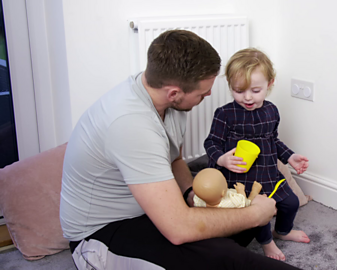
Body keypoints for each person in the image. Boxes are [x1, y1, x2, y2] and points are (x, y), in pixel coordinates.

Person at [59, 30, 300, 269]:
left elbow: (175, 160)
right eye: (202, 94)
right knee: (229, 255)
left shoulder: (167, 102)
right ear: (174, 93)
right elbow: (178, 229)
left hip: (152, 210)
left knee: (233, 220)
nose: (207, 95)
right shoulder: (130, 124)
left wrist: (189, 193)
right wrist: (256, 214)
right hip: (103, 232)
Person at [204, 48, 311, 261]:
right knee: (258, 211)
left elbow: (273, 140)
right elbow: (211, 142)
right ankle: (266, 242)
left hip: (270, 174)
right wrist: (222, 158)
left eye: (255, 90)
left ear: (270, 84)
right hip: (241, 180)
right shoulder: (225, 114)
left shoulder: (271, 111)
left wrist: (289, 157)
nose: (247, 97)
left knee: (291, 203)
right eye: (239, 90)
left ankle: (282, 231)